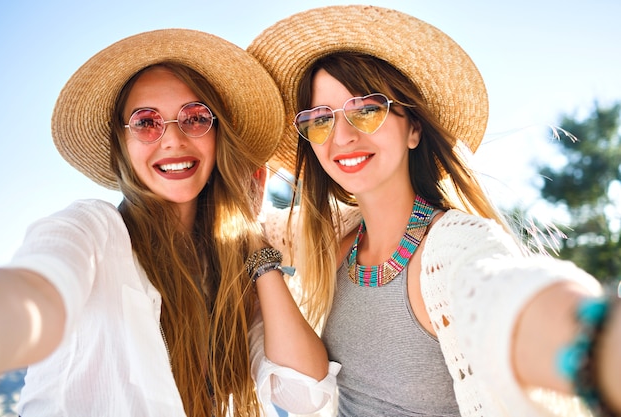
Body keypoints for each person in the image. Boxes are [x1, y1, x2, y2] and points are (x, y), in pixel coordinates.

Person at [248, 6, 621, 417]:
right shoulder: (336, 240)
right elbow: (253, 228)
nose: (343, 135)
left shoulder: (452, 246)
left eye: (367, 110)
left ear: (413, 128)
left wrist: (596, 338)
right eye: (320, 120)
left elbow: (505, 297)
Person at [0, 29, 339, 417]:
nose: (173, 139)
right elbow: (38, 292)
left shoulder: (231, 276)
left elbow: (306, 393)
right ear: (123, 144)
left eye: (194, 118)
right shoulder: (93, 230)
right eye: (146, 122)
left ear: (217, 136)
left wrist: (254, 242)